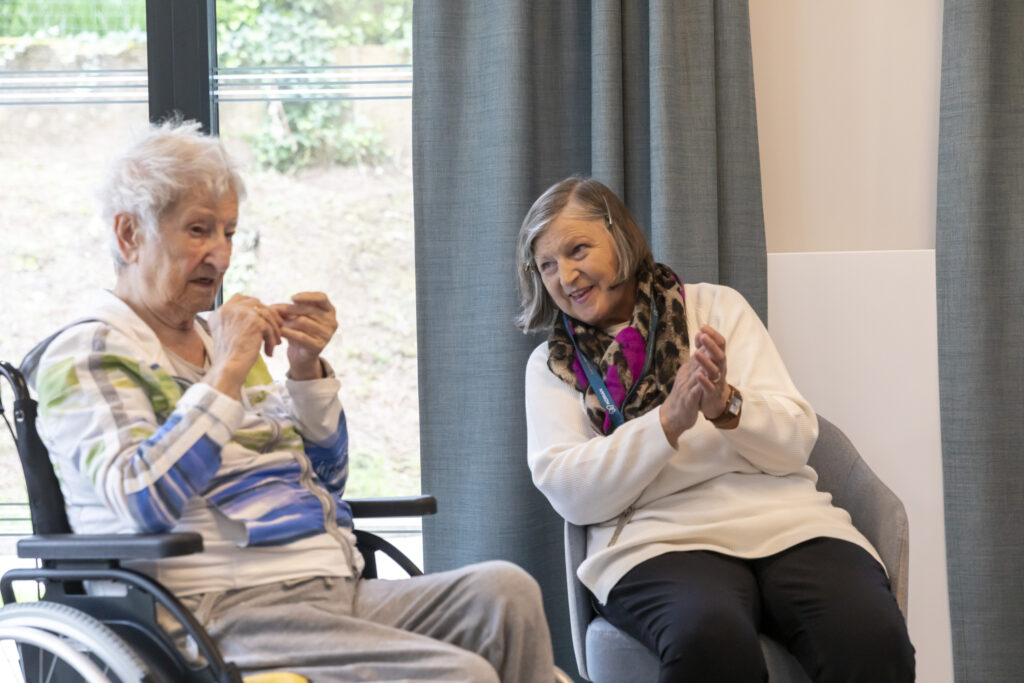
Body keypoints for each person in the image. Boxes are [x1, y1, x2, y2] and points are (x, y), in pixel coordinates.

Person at [22, 119, 557, 683]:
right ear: (129, 235)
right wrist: (227, 371)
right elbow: (140, 500)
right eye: (198, 231)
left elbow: (324, 481)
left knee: (507, 593)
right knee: (459, 674)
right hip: (221, 609)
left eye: (229, 232)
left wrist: (305, 374)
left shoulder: (217, 338)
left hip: (327, 588)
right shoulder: (90, 351)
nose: (221, 256)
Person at [516, 176, 915, 683]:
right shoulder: (552, 366)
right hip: (656, 540)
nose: (565, 275)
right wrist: (667, 422)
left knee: (870, 636)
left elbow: (795, 442)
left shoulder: (717, 308)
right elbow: (569, 490)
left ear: (619, 238)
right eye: (546, 264)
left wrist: (726, 406)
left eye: (577, 250)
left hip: (785, 521)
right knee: (708, 639)